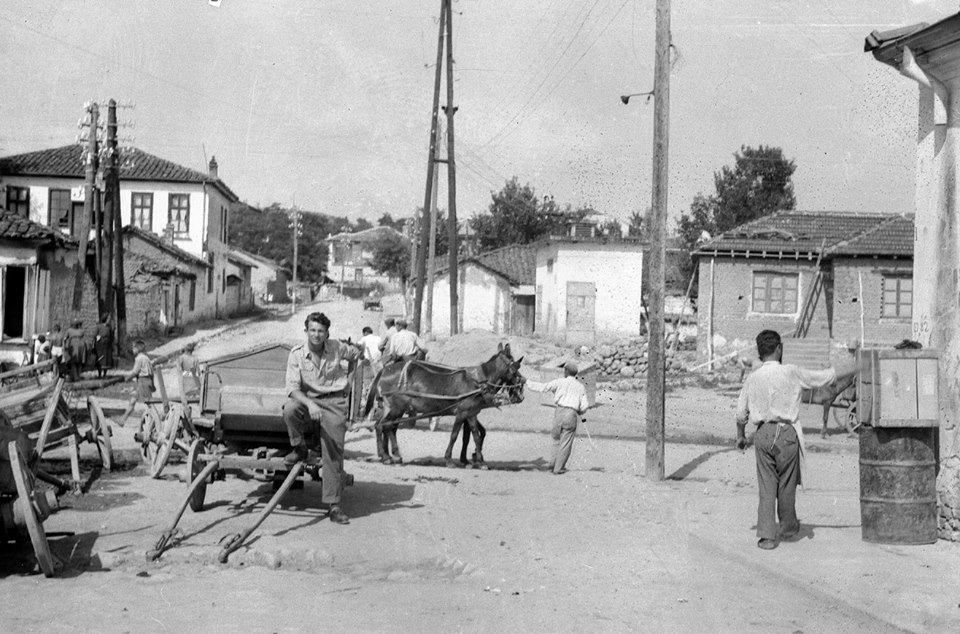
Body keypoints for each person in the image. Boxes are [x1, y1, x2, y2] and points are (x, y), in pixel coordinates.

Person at [735, 329, 861, 550]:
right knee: (787, 483)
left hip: (763, 434)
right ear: (779, 349)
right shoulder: (791, 372)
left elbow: (740, 415)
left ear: (759, 352)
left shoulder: (753, 378)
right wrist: (856, 367)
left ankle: (766, 536)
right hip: (787, 434)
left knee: (767, 486)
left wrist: (740, 437)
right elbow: (824, 377)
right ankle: (788, 528)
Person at [282, 312, 361, 525]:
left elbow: (356, 355)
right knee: (290, 410)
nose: (316, 335)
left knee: (333, 450)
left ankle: (334, 505)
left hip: (334, 403)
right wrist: (309, 403)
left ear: (327, 333)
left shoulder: (337, 347)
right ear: (306, 331)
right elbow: (291, 388)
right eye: (312, 330)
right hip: (310, 402)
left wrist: (349, 382)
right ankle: (299, 449)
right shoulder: (297, 354)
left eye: (321, 331)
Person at [525, 361, 590, 475]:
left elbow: (542, 387)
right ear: (575, 374)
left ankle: (552, 465)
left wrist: (527, 382)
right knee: (565, 442)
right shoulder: (580, 387)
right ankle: (558, 468)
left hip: (559, 412)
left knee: (556, 439)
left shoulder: (559, 382)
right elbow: (585, 406)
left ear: (565, 372)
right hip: (571, 414)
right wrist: (579, 410)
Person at [119, 340, 155, 426]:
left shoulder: (139, 359)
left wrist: (127, 378)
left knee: (149, 403)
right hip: (143, 381)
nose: (133, 350)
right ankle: (123, 420)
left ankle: (154, 421)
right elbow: (151, 373)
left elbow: (135, 372)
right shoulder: (146, 358)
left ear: (138, 349)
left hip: (143, 381)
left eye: (134, 348)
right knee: (133, 400)